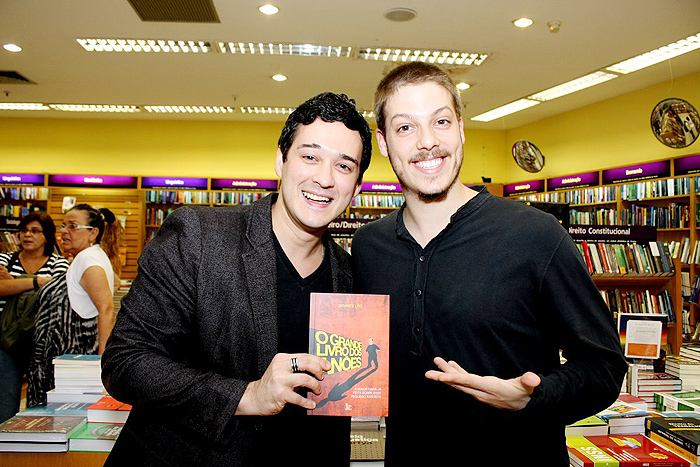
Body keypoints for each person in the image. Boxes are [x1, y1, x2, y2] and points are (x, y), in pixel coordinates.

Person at [351, 62, 628, 465]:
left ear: (461, 129)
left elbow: (604, 366)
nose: (428, 142)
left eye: (441, 121)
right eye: (406, 127)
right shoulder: (367, 246)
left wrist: (534, 397)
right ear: (384, 142)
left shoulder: (536, 235)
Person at [101, 92, 372, 467]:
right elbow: (125, 363)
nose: (324, 178)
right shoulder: (198, 236)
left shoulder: (351, 275)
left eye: (344, 166)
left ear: (356, 186)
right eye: (310, 156)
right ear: (281, 160)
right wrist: (248, 396)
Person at [26, 203, 116, 407]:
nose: (65, 232)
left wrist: (102, 362)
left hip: (74, 366)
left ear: (93, 233)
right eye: (63, 226)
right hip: (61, 364)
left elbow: (106, 309)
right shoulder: (87, 257)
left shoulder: (89, 260)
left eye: (73, 226)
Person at [0, 212, 69, 421]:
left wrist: (14, 282)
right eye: (24, 230)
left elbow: (56, 292)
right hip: (6, 341)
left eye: (35, 231)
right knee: (5, 400)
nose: (28, 235)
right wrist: (37, 281)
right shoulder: (4, 258)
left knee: (40, 400)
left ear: (47, 236)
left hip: (43, 342)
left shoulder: (59, 263)